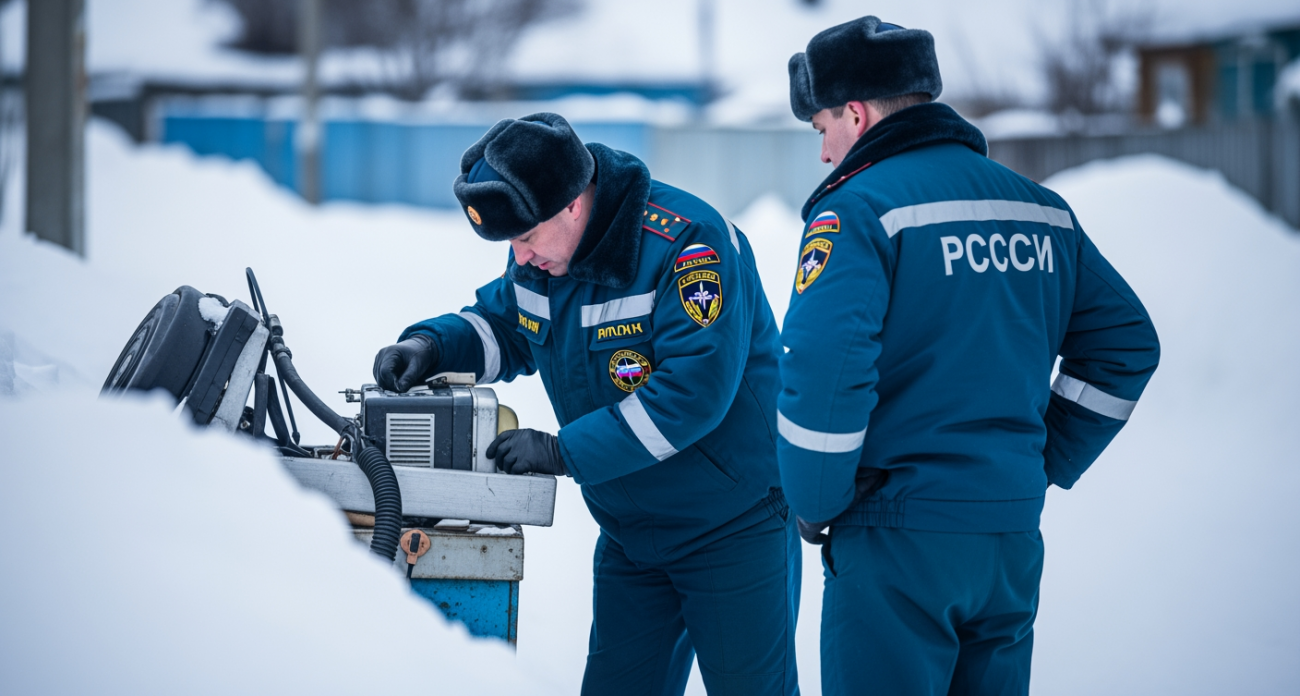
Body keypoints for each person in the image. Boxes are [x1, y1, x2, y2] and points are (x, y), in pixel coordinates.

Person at [776, 17, 1161, 696]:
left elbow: (823, 370)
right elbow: (1126, 345)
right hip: (1008, 539)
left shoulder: (858, 210)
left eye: (822, 128)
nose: (825, 153)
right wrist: (1042, 460)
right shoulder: (1042, 211)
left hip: (897, 538)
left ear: (856, 114)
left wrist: (815, 498)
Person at [372, 113, 800, 696]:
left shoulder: (689, 244)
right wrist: (431, 347)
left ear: (573, 203)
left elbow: (692, 393)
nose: (520, 256)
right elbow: (505, 324)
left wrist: (562, 451)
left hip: (730, 527)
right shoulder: (545, 253)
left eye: (526, 238)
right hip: (632, 537)